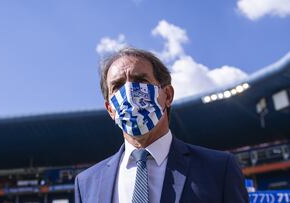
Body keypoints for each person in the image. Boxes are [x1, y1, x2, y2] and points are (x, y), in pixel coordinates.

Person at [74, 47, 249, 203]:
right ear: (110, 109)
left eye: (140, 80)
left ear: (168, 95)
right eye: (118, 86)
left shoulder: (219, 169)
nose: (129, 93)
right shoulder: (86, 184)